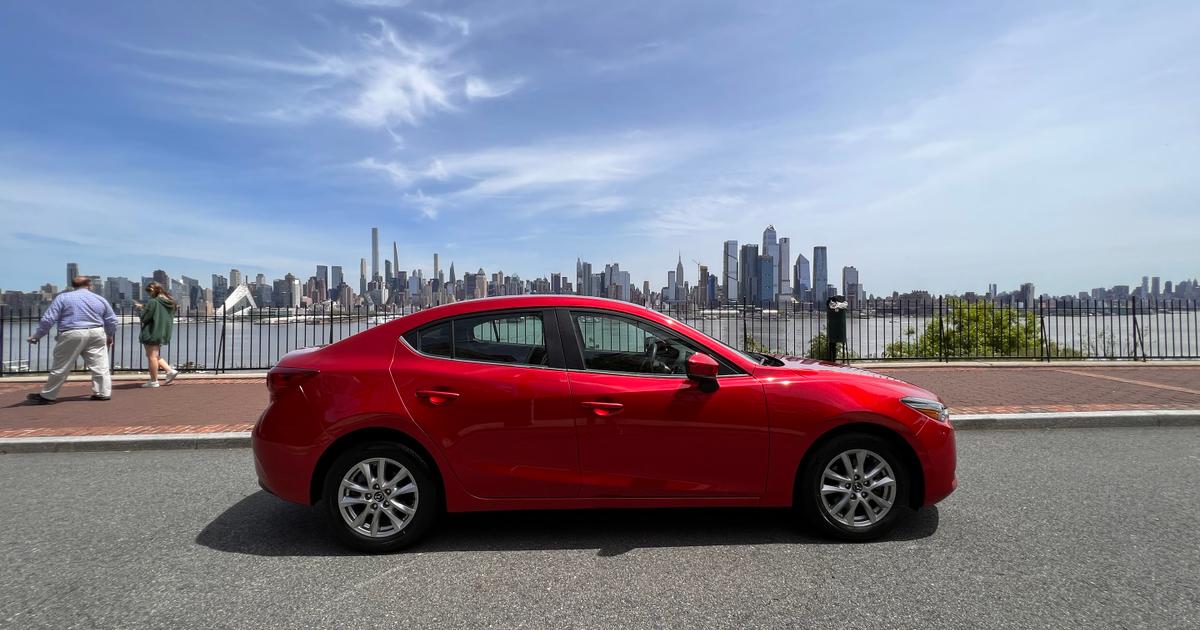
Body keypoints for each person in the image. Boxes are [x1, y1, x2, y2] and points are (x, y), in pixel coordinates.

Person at [26, 276, 118, 404]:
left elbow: (49, 318)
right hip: (96, 332)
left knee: (61, 366)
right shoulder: (100, 299)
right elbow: (112, 320)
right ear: (90, 285)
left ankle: (48, 396)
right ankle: (103, 393)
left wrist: (37, 335)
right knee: (100, 366)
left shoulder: (63, 298)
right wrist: (110, 335)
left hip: (72, 332)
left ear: (72, 286)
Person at [139, 282, 179, 387]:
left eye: (149, 292)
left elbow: (144, 318)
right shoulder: (170, 303)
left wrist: (142, 309)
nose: (149, 295)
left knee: (151, 356)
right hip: (162, 332)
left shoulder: (153, 302)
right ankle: (169, 371)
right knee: (153, 355)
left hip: (151, 331)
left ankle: (154, 381)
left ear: (153, 291)